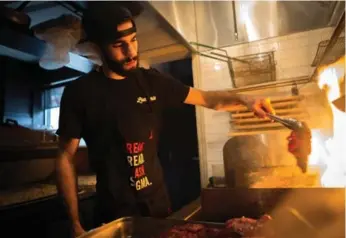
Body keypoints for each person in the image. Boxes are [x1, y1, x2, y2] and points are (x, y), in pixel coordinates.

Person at [54, 3, 275, 237]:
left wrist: (245, 99)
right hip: (114, 217)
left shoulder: (152, 81)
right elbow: (65, 158)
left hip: (159, 211)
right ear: (98, 47)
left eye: (134, 40)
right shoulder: (80, 93)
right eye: (119, 45)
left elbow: (209, 100)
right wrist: (74, 222)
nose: (131, 52)